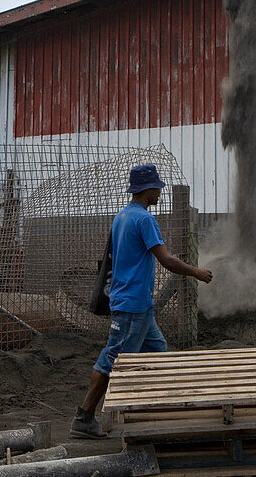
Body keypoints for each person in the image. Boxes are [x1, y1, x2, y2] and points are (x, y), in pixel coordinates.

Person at [70, 164, 214, 439]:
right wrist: (196, 272)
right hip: (132, 305)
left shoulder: (121, 217)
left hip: (138, 305)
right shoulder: (144, 220)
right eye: (157, 186)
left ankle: (155, 414)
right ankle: (84, 417)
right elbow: (166, 259)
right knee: (111, 360)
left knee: (157, 353)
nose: (160, 190)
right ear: (146, 189)